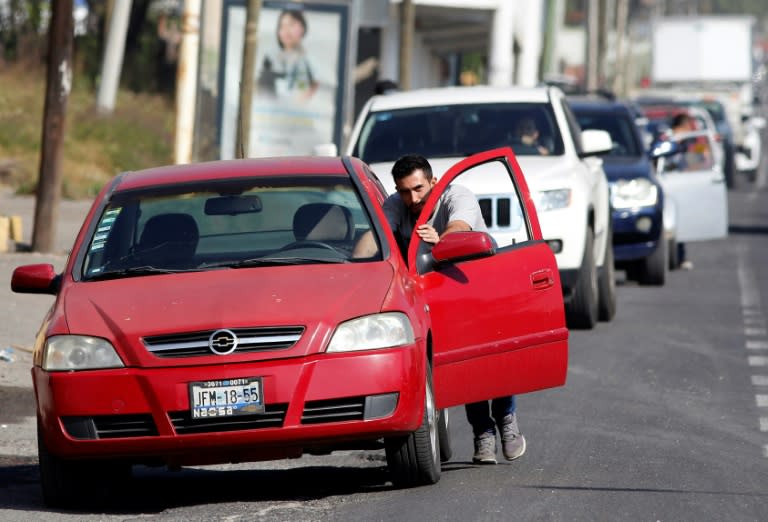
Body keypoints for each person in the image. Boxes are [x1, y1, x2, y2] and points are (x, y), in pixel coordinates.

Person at [353, 154, 526, 464]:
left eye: (418, 188)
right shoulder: (397, 204)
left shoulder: (457, 196)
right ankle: (483, 433)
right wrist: (356, 270)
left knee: (496, 360)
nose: (412, 198)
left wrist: (441, 242)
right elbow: (374, 236)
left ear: (433, 181)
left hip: (480, 287)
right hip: (443, 296)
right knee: (466, 365)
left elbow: (459, 228)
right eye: (404, 191)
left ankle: (507, 421)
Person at [257, 9, 318, 102]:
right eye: (282, 26)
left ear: (303, 28)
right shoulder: (270, 56)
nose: (286, 30)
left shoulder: (308, 59)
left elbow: (314, 85)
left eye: (291, 25)